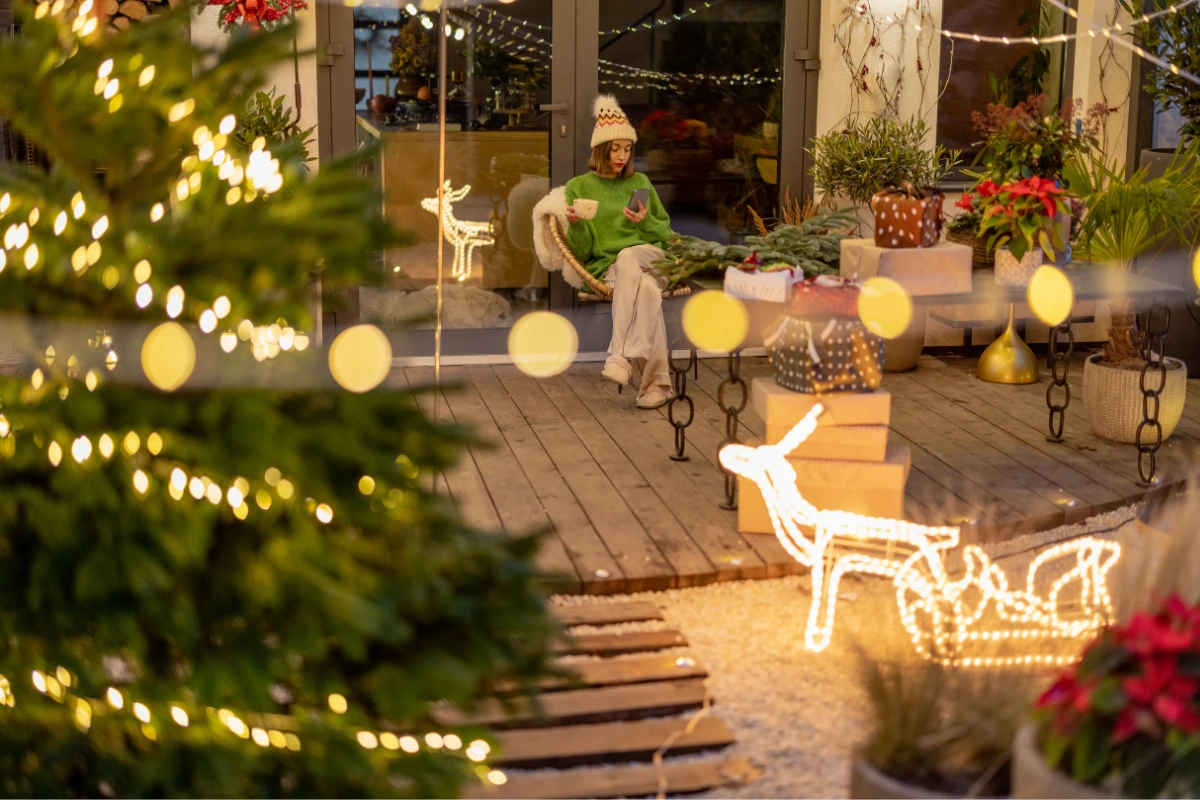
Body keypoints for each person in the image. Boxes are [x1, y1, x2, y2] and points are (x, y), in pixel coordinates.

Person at [564, 95, 674, 410]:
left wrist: (646, 220)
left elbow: (667, 236)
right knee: (648, 291)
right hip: (614, 269)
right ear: (601, 149)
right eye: (616, 149)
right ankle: (657, 386)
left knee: (631, 257)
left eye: (628, 149)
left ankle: (619, 354)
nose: (622, 156)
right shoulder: (578, 187)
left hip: (653, 258)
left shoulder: (639, 181)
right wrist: (575, 225)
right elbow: (583, 252)